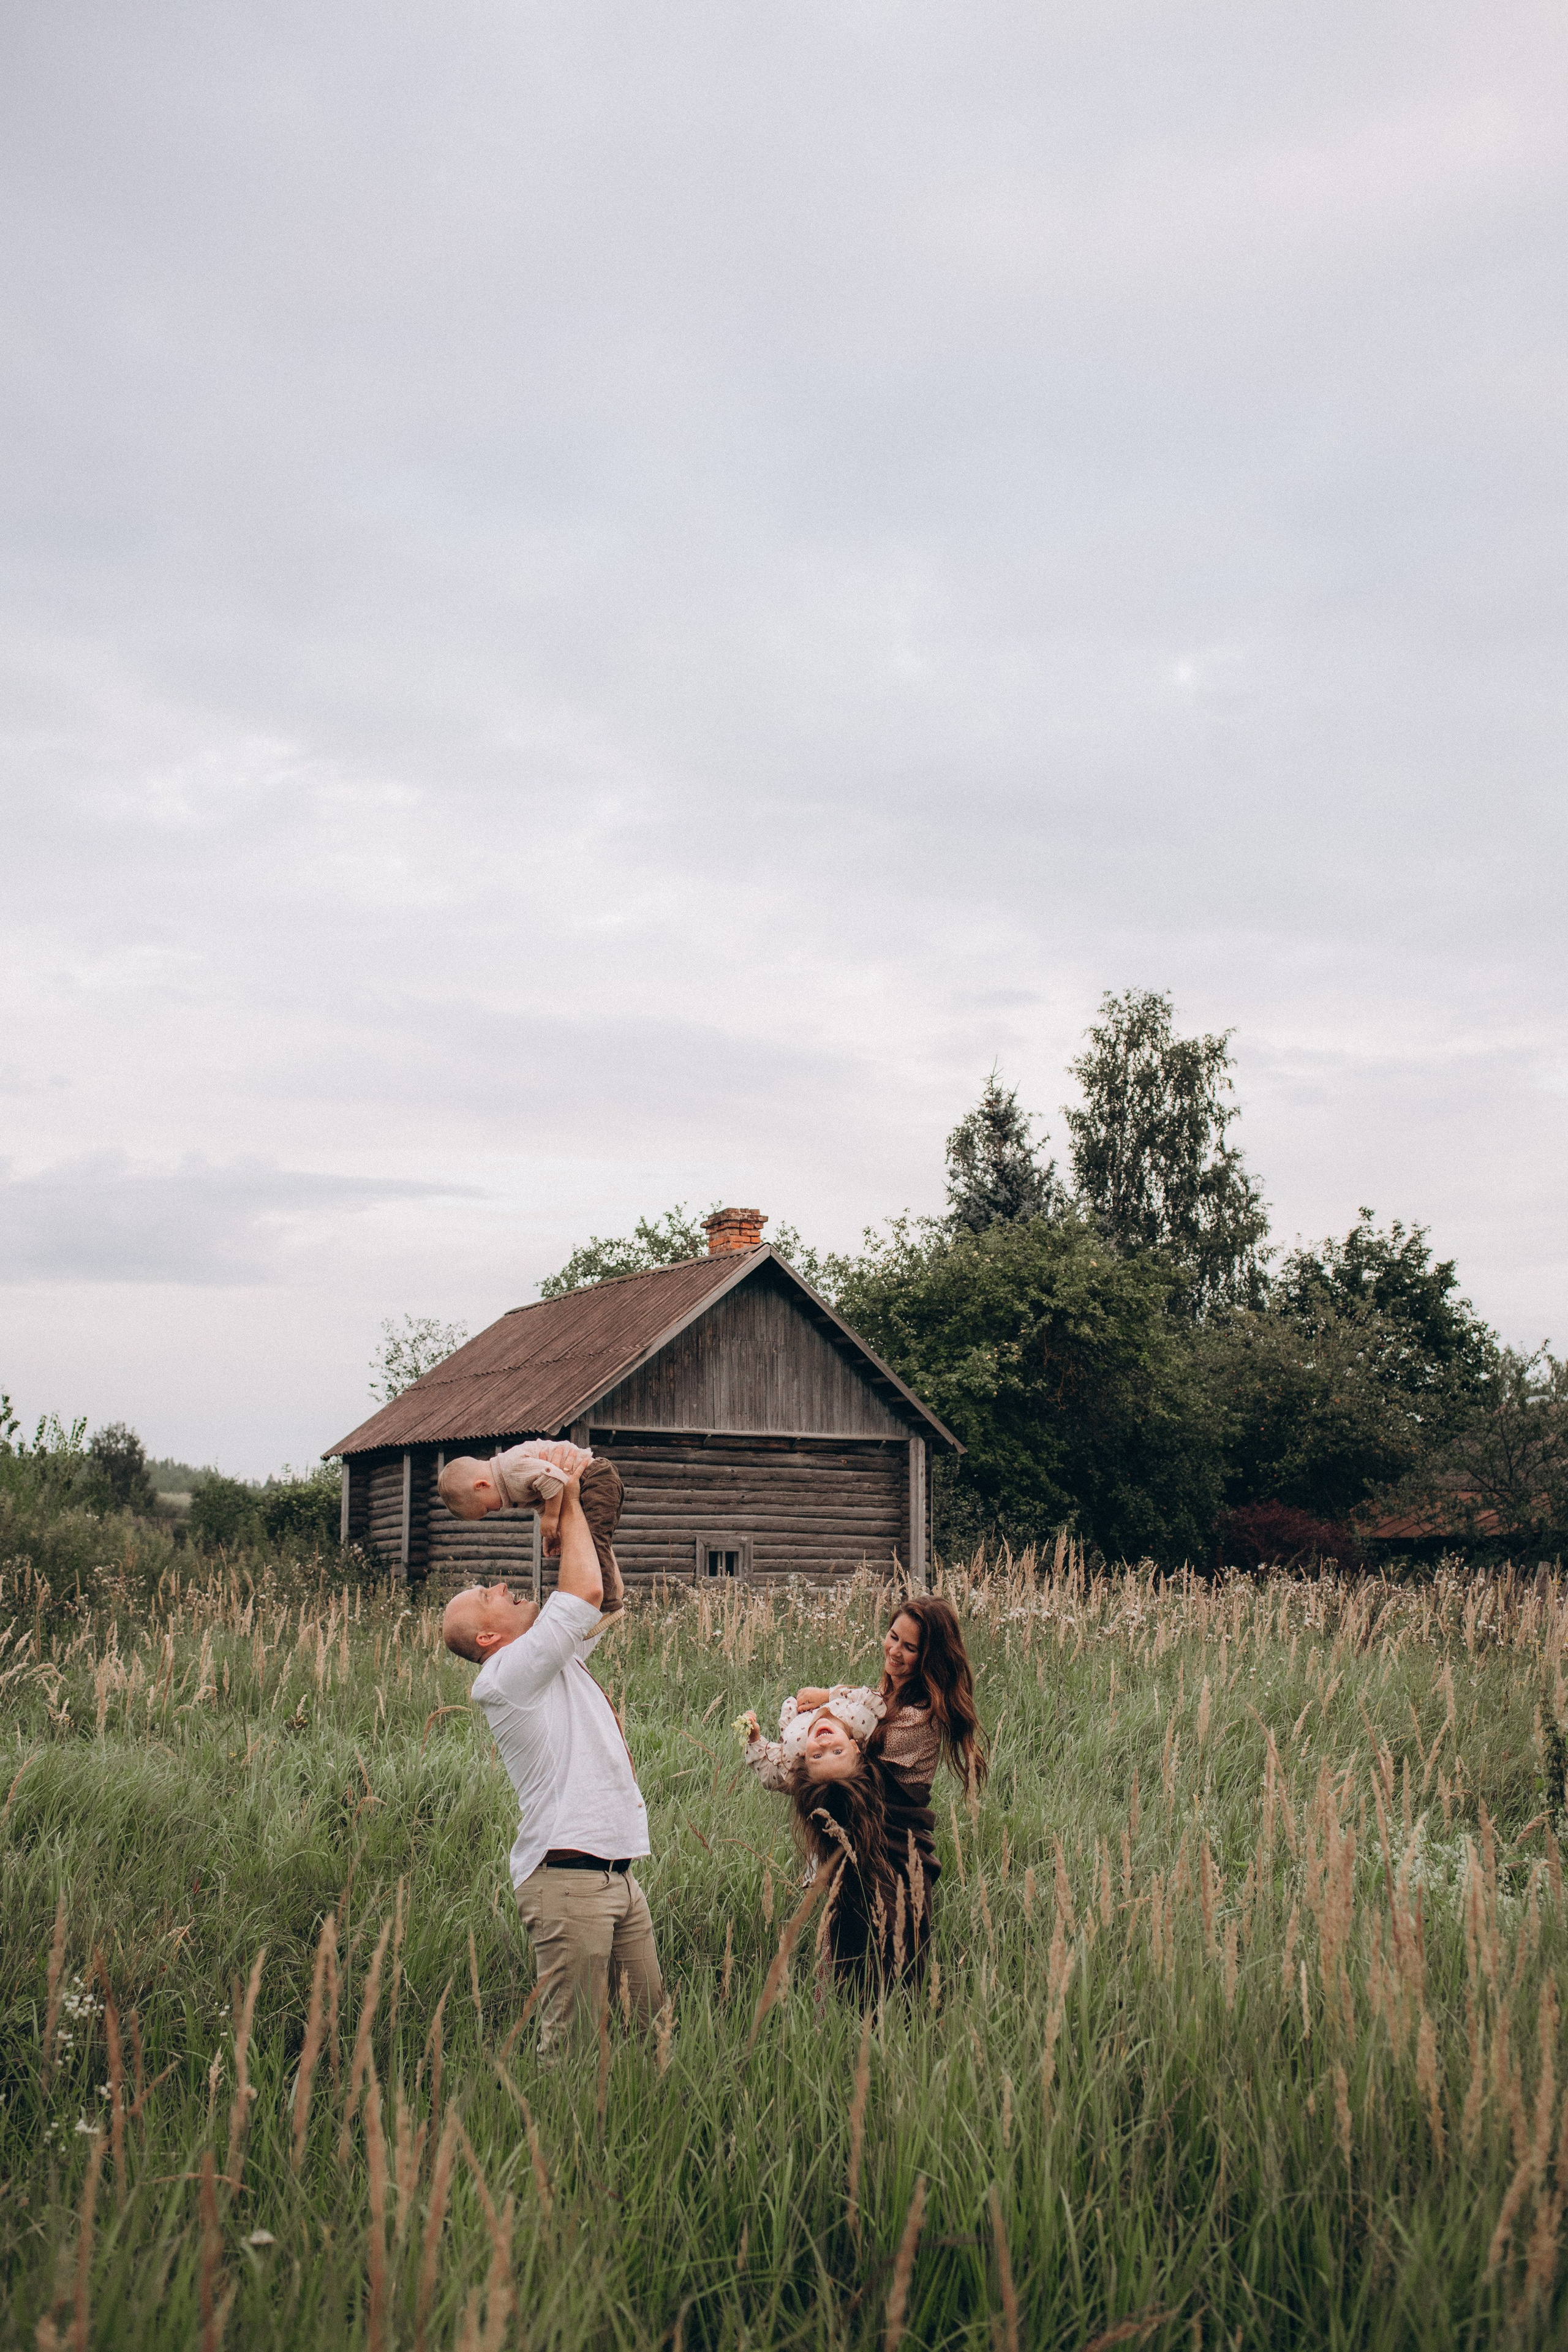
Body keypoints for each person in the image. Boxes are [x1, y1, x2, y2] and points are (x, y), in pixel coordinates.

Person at [442, 1477, 659, 2054]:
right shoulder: (506, 1677)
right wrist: (555, 1501)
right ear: (489, 1636)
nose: (504, 1584)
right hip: (566, 1881)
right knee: (572, 2049)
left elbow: (604, 1598)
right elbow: (583, 1592)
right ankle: (558, 2141)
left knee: (649, 2031)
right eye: (491, 1594)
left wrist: (578, 1512)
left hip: (618, 1876)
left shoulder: (546, 1659)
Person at [439, 1438, 625, 1611]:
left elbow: (554, 1479)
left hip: (595, 1478)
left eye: (487, 1509)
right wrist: (552, 1532)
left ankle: (607, 1605)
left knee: (592, 1544)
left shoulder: (511, 1470)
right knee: (588, 1543)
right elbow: (541, 1500)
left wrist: (551, 1518)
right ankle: (605, 1599)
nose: (495, 1511)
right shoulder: (509, 1485)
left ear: (482, 1485)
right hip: (588, 1483)